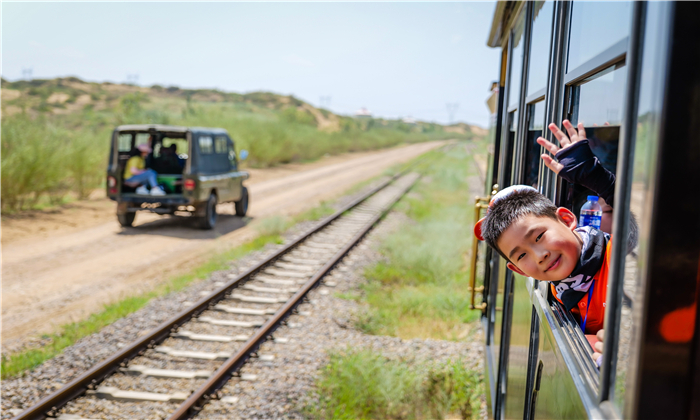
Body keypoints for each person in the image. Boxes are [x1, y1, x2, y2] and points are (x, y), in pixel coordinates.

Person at [474, 120, 625, 338]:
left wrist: (599, 179)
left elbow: (655, 228)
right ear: (518, 270)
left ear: (566, 219)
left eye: (539, 237)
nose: (540, 255)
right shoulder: (561, 286)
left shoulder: (616, 256)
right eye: (522, 255)